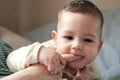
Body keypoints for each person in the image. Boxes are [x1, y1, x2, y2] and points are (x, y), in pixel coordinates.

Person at [5, 0, 104, 80]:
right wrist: (39, 53)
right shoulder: (48, 51)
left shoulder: (92, 71)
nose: (77, 45)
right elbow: (10, 59)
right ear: (55, 39)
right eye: (69, 37)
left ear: (98, 47)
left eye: (87, 40)